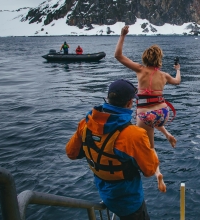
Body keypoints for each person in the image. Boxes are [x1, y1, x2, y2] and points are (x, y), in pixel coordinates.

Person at [65, 79, 159, 219]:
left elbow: (71, 153)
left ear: (108, 99)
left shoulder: (85, 124)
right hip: (130, 202)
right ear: (129, 103)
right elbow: (150, 170)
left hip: (105, 194)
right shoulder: (133, 135)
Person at [114, 25, 181, 193]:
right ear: (159, 59)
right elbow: (177, 81)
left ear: (145, 58)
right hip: (164, 113)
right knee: (154, 119)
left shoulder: (140, 69)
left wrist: (122, 35)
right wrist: (178, 70)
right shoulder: (164, 75)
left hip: (145, 116)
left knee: (150, 147)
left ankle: (158, 173)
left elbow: (118, 56)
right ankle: (167, 134)